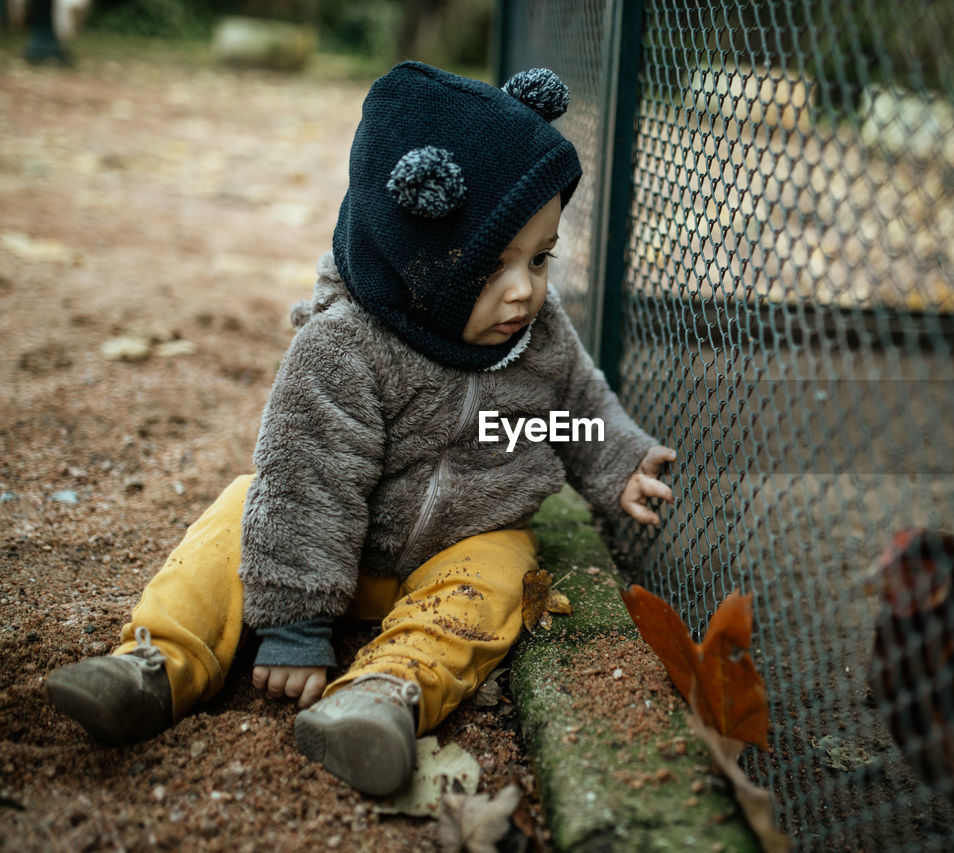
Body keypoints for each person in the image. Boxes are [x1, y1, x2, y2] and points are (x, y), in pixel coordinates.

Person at [44, 62, 676, 797]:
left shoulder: (536, 337)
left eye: (540, 258)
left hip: (456, 546)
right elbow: (312, 478)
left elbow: (573, 404)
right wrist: (297, 626)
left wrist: (617, 458)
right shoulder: (346, 347)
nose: (525, 288)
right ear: (415, 258)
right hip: (336, 545)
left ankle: (386, 692)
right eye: (492, 265)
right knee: (238, 516)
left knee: (505, 568)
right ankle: (156, 664)